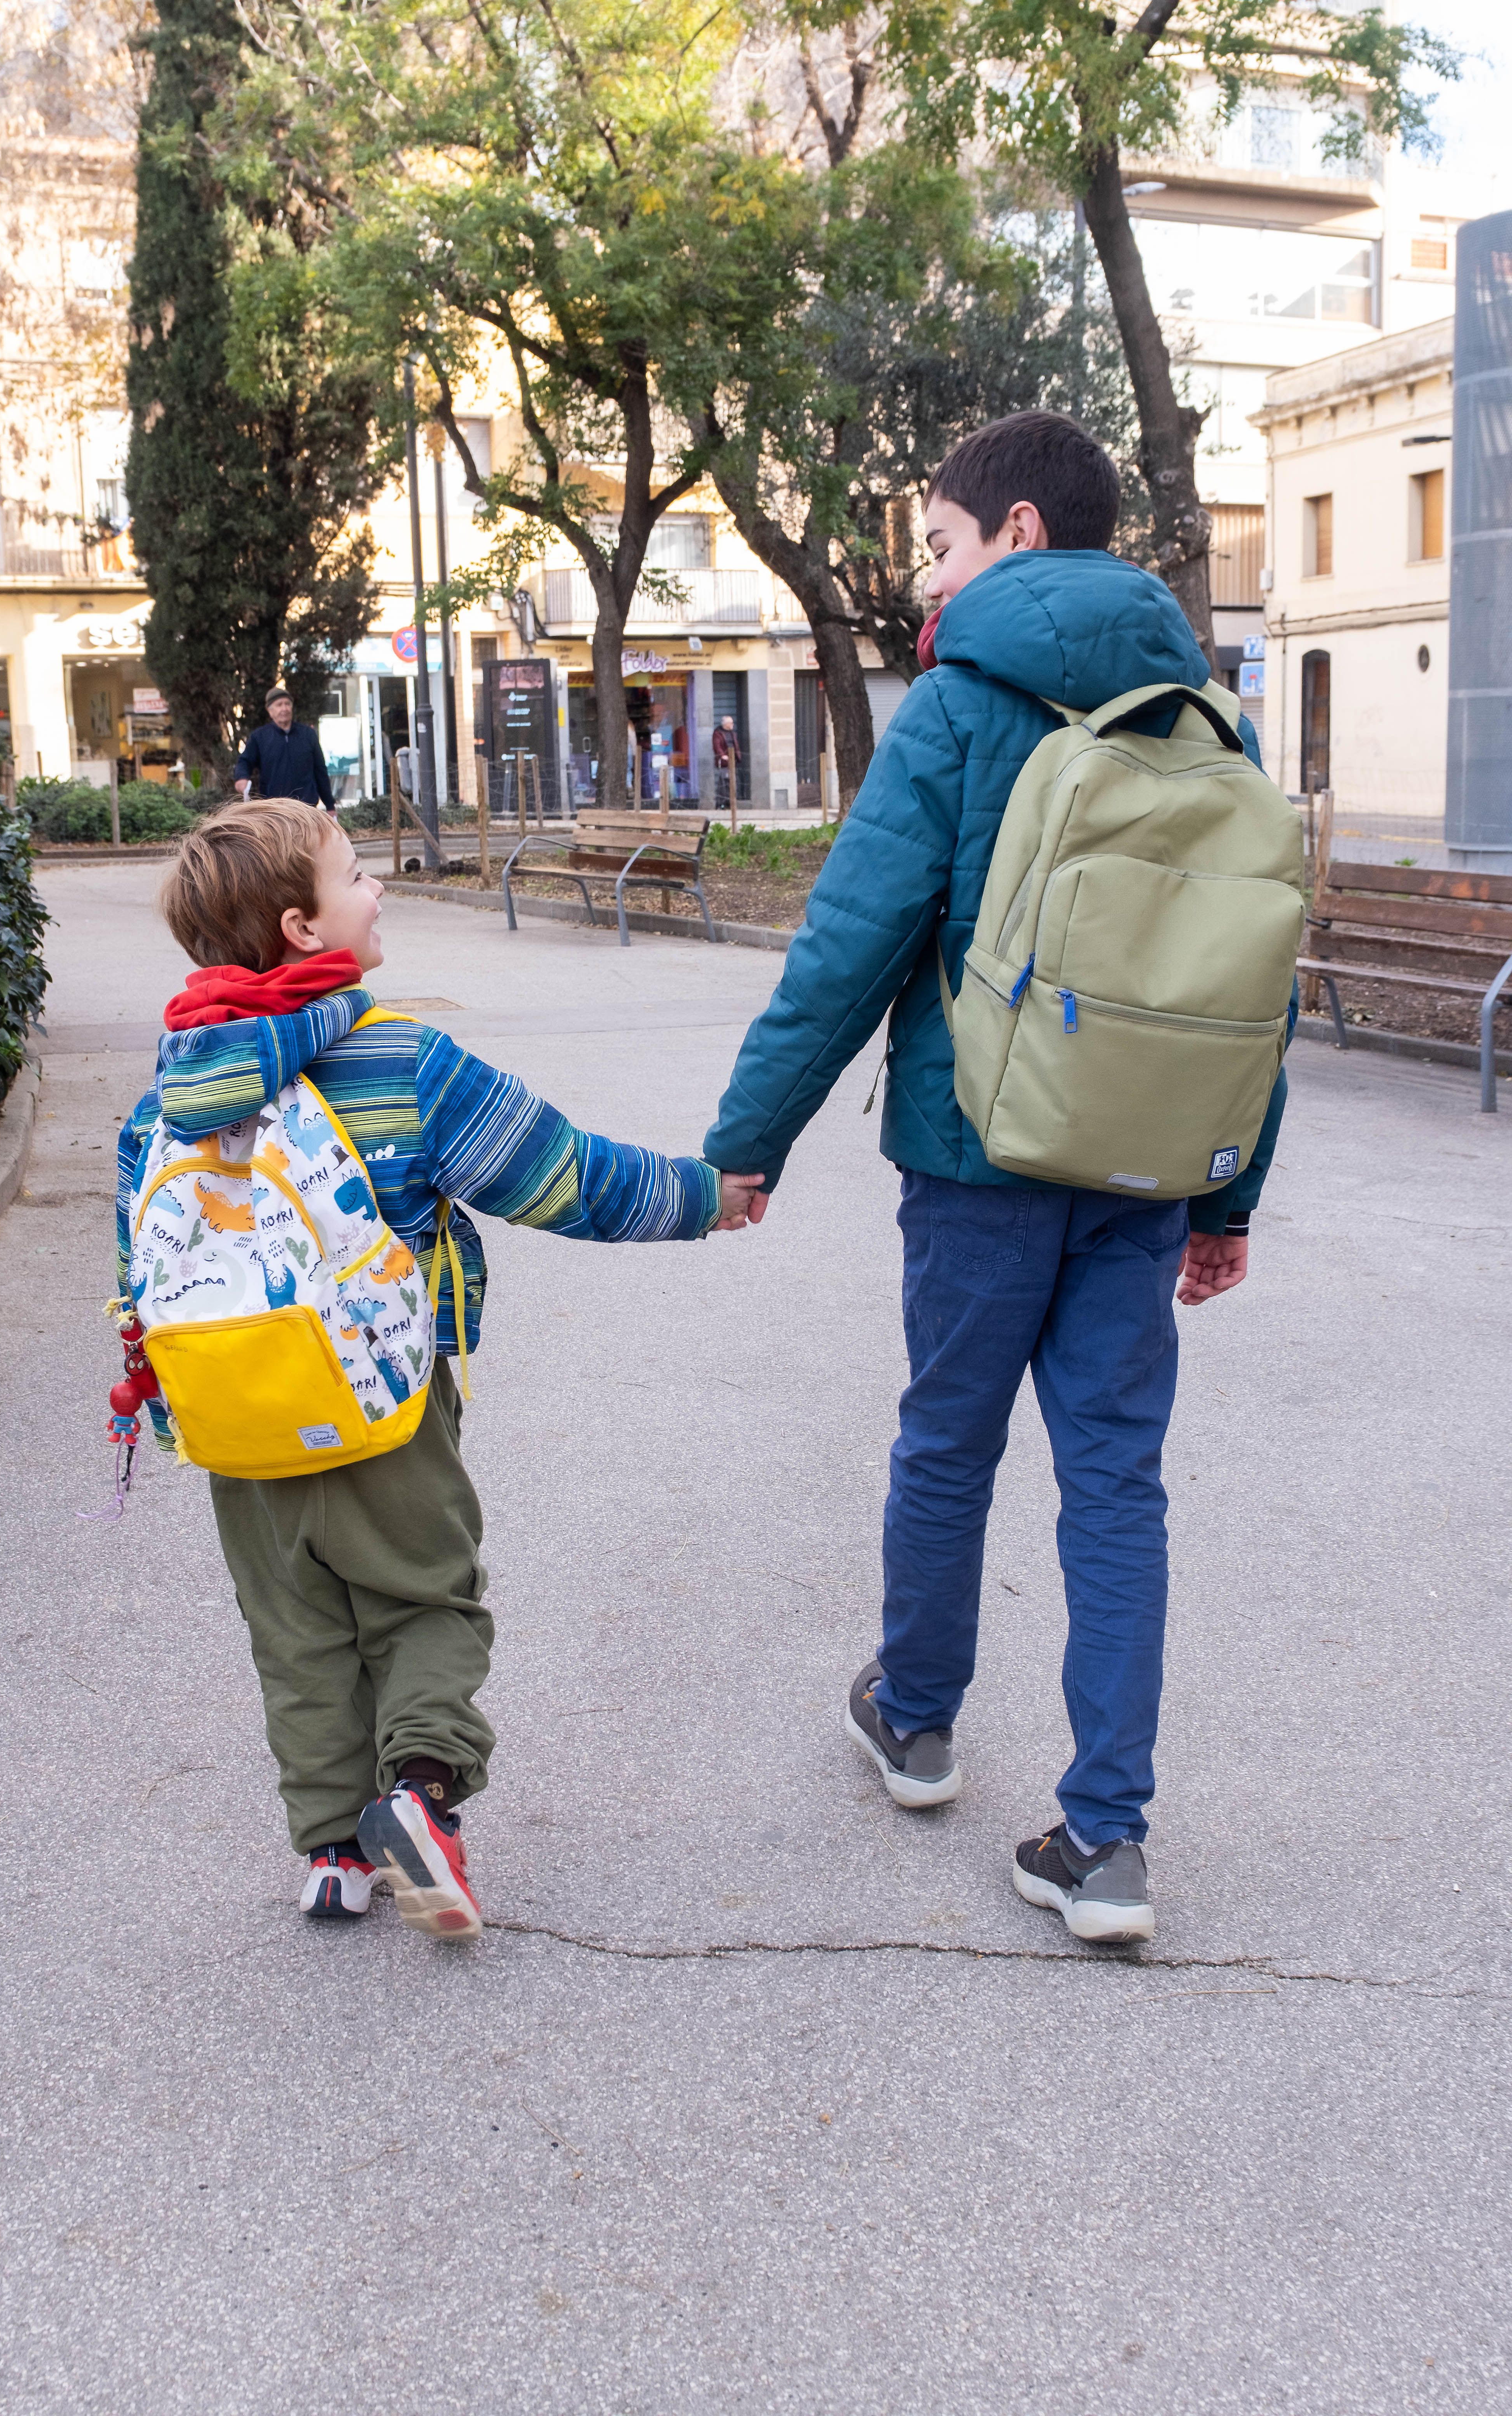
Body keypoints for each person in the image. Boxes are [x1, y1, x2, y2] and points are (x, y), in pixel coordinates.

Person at [702, 410, 1291, 1948]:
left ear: (1018, 534)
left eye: (942, 548)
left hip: (976, 1157)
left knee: (945, 1439)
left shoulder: (957, 708)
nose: (928, 586)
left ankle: (914, 1720)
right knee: (1113, 1480)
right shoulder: (1200, 718)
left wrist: (746, 1143)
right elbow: (1239, 976)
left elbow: (849, 944)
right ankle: (1103, 1841)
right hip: (1146, 1163)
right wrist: (1225, 1195)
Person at [118, 798, 764, 1942]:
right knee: (424, 1599)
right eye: (354, 875)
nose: (378, 891)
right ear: (301, 928)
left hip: (232, 1414)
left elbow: (145, 1268)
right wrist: (704, 1196)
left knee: (296, 1624)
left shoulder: (162, 1103)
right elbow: (563, 1176)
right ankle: (417, 1797)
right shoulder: (404, 1061)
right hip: (385, 1399)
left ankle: (328, 1851)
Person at [232, 685, 337, 813]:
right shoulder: (260, 737)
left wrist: (330, 806)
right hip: (274, 811)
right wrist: (241, 778)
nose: (285, 708)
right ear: (270, 711)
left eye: (288, 704)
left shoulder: (308, 735)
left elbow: (320, 771)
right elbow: (245, 761)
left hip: (307, 810)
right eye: (279, 705)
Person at [711, 714, 741, 806]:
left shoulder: (732, 733)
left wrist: (738, 756)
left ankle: (732, 802)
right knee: (724, 783)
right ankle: (723, 803)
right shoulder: (718, 733)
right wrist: (722, 756)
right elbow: (717, 746)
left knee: (734, 782)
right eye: (731, 723)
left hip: (733, 761)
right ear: (726, 724)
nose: (733, 724)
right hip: (724, 763)